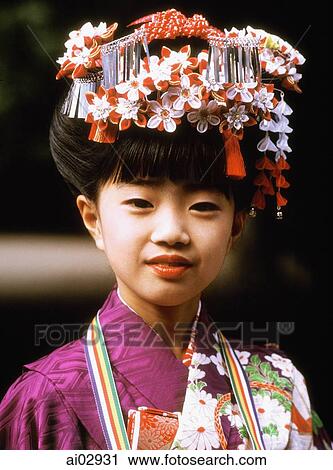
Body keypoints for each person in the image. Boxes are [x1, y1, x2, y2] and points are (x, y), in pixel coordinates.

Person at [0, 9, 331, 451]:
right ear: (92, 218)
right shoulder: (44, 399)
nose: (172, 231)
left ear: (236, 224)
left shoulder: (279, 387)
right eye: (140, 203)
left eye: (203, 206)